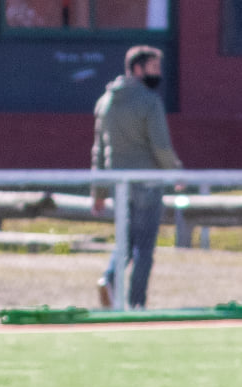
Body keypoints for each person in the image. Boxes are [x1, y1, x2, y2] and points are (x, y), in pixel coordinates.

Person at [90, 46, 179, 310]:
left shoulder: (105, 102)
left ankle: (109, 280)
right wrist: (175, 171)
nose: (158, 74)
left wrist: (99, 192)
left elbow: (100, 151)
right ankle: (137, 303)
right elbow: (160, 146)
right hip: (147, 183)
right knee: (144, 248)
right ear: (138, 69)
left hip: (119, 185)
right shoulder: (149, 101)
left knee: (126, 241)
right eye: (154, 68)